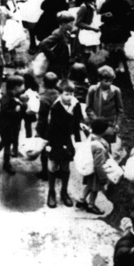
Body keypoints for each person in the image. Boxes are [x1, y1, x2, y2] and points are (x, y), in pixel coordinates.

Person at [46, 80, 86, 208]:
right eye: (67, 94)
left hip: (68, 141)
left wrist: (79, 138)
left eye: (72, 94)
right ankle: (51, 192)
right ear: (60, 94)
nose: (70, 97)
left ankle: (64, 192)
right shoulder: (56, 107)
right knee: (53, 166)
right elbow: (56, 126)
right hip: (55, 141)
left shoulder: (76, 105)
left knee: (65, 166)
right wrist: (70, 111)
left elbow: (77, 122)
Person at [0, 74, 27, 176]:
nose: (24, 87)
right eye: (22, 85)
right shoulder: (6, 98)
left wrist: (23, 105)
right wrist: (15, 110)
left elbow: (21, 108)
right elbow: (4, 112)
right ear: (16, 87)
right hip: (4, 129)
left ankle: (6, 164)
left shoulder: (16, 96)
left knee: (7, 147)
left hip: (12, 128)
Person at [76, 117, 111, 215]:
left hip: (90, 167)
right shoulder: (99, 145)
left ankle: (81, 200)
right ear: (103, 130)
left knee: (89, 186)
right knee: (95, 188)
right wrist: (103, 177)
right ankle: (91, 205)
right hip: (96, 172)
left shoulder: (91, 137)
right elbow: (98, 163)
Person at [99, 0, 133, 73]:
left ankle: (112, 66)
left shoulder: (106, 4)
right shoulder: (125, 3)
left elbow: (102, 18)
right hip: (122, 29)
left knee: (111, 49)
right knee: (120, 47)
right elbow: (129, 15)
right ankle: (121, 65)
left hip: (109, 30)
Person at [85, 65, 124, 142]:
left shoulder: (116, 91)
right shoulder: (93, 90)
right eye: (106, 81)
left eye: (111, 81)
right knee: (96, 143)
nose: (109, 83)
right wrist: (96, 121)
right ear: (100, 79)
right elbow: (88, 108)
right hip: (96, 125)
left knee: (108, 143)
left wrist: (117, 124)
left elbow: (120, 110)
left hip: (110, 125)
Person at [35, 71, 60, 181]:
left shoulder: (43, 99)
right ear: (57, 83)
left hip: (46, 129)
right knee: (56, 149)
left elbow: (42, 118)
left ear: (43, 83)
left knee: (45, 150)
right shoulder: (60, 96)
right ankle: (57, 170)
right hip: (58, 127)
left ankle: (45, 172)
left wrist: (38, 131)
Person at [38, 11, 75, 79]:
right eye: (71, 23)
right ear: (63, 24)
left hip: (64, 60)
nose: (73, 25)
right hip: (58, 61)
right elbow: (43, 44)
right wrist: (53, 57)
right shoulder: (58, 34)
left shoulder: (66, 31)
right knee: (58, 76)